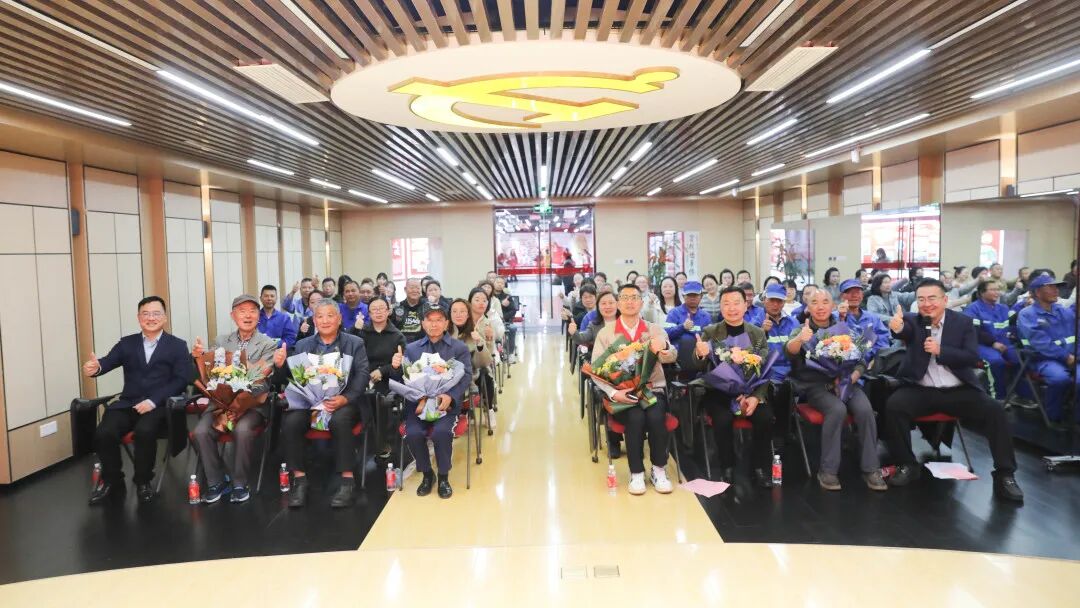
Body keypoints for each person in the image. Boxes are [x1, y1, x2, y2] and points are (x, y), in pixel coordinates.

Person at [883, 279, 1024, 502]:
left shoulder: (963, 322)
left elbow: (971, 357)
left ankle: (1005, 475)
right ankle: (906, 464)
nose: (926, 304)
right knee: (894, 405)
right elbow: (904, 331)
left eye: (932, 298)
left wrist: (941, 351)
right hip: (923, 390)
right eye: (921, 299)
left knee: (995, 411)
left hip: (958, 390)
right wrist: (897, 328)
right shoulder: (912, 320)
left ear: (945, 299)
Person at [83, 296, 192, 505]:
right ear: (139, 318)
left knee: (144, 431)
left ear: (165, 317)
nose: (151, 318)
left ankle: (143, 481)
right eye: (146, 314)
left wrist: (153, 401)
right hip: (129, 403)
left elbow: (181, 380)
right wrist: (96, 368)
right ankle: (112, 481)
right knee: (104, 432)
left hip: (159, 406)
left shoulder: (177, 345)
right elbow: (106, 362)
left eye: (156, 313)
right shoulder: (127, 343)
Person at [786, 290, 886, 492]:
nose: (820, 306)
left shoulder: (846, 327)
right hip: (816, 386)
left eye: (825, 302)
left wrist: (854, 375)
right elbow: (789, 351)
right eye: (814, 302)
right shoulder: (802, 329)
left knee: (865, 410)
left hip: (848, 382)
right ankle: (828, 470)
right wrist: (799, 340)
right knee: (837, 409)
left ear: (832, 305)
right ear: (808, 307)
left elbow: (861, 358)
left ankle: (871, 468)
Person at [274, 299, 371, 508]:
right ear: (314, 320)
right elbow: (291, 378)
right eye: (320, 316)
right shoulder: (303, 345)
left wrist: (345, 398)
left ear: (339, 319)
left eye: (330, 315)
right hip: (310, 402)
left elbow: (362, 375)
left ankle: (347, 481)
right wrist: (280, 366)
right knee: (291, 422)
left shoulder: (354, 343)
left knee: (340, 420)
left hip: (345, 401)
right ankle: (300, 480)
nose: (325, 320)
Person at [190, 294, 282, 503]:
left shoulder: (268, 344)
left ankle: (240, 483)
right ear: (233, 316)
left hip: (252, 405)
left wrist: (240, 402)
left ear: (259, 316)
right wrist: (198, 357)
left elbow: (262, 379)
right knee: (201, 432)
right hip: (220, 405)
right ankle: (216, 481)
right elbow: (211, 373)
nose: (247, 316)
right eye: (242, 311)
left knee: (242, 430)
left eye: (252, 311)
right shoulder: (221, 341)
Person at [592, 284, 677, 495]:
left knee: (656, 416)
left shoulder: (653, 329)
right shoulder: (606, 333)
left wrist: (665, 348)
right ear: (618, 303)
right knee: (635, 417)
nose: (630, 302)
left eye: (634, 297)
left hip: (652, 389)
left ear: (641, 302)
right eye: (625, 298)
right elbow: (596, 370)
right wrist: (614, 393)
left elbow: (672, 355)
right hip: (623, 394)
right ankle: (636, 472)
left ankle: (659, 469)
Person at [693, 286, 774, 487]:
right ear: (720, 307)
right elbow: (699, 366)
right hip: (719, 391)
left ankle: (759, 468)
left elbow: (765, 369)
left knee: (764, 417)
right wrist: (700, 354)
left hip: (750, 390)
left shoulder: (757, 333)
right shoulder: (711, 332)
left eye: (736, 303)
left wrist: (755, 396)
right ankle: (727, 468)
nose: (732, 308)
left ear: (746, 305)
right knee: (723, 419)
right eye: (726, 304)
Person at [402, 305, 473, 499]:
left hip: (445, 404)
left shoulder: (458, 348)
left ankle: (443, 477)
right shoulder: (412, 349)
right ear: (423, 323)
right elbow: (405, 377)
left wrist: (451, 395)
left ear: (446, 323)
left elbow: (466, 376)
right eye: (430, 320)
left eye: (439, 320)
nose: (434, 324)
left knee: (441, 432)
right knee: (413, 433)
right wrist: (396, 366)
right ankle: (427, 474)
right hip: (419, 404)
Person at [1016, 273, 1078, 422]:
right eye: (1051, 287)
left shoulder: (1063, 311)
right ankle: (1054, 417)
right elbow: (1041, 343)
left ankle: (1076, 418)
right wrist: (1067, 357)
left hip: (1071, 357)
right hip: (1042, 359)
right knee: (1060, 379)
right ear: (1038, 292)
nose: (1056, 290)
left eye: (1056, 287)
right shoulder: (1027, 314)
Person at [351, 297, 406, 460]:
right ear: (369, 313)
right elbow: (353, 354)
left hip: (388, 378)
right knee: (357, 396)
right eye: (374, 309)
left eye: (382, 308)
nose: (378, 312)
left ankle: (382, 441)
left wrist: (382, 371)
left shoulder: (397, 335)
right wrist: (366, 373)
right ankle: (364, 439)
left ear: (388, 311)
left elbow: (402, 362)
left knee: (378, 398)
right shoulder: (362, 333)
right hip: (364, 376)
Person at [964, 280, 1019, 400]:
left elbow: (1012, 326)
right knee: (996, 361)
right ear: (982, 293)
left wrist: (1013, 336)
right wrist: (993, 343)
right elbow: (974, 331)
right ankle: (998, 398)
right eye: (993, 290)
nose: (997, 292)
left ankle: (1020, 395)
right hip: (981, 344)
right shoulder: (973, 309)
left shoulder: (1003, 308)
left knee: (1019, 359)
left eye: (998, 289)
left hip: (1004, 343)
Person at [836, 279, 891, 357]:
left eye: (858, 292)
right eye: (849, 292)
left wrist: (873, 357)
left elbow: (883, 341)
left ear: (862, 295)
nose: (854, 295)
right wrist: (841, 319)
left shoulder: (873, 318)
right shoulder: (833, 317)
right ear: (841, 296)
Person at [664, 280, 711, 345]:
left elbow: (710, 338)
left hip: (700, 350)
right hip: (678, 350)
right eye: (689, 295)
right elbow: (666, 334)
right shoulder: (674, 313)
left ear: (701, 296)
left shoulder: (706, 316)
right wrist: (682, 327)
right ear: (683, 296)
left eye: (695, 295)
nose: (692, 298)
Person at [257, 285, 298, 349]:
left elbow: (290, 339)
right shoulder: (254, 317)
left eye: (272, 296)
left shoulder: (284, 318)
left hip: (278, 352)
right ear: (260, 298)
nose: (269, 299)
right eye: (266, 296)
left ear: (276, 298)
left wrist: (275, 344)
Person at [493, 276, 519, 363]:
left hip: (505, 321)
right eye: (498, 282)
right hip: (491, 322)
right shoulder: (489, 296)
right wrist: (501, 304)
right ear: (493, 283)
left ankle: (510, 353)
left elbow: (513, 310)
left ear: (504, 285)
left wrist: (503, 318)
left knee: (512, 328)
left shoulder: (507, 297)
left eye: (502, 283)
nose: (500, 284)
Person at [392, 278, 426, 343]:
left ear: (421, 289)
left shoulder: (426, 307)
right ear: (405, 289)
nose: (415, 290)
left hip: (422, 345)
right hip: (402, 345)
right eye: (412, 287)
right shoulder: (397, 308)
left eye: (418, 288)